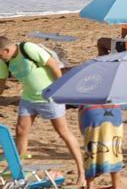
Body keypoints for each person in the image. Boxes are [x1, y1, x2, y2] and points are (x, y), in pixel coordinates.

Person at [0, 38, 86, 186]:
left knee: (63, 132)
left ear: (6, 50)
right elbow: (1, 85)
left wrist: (60, 88)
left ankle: (82, 172)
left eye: (0, 55)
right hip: (28, 99)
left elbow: (53, 64)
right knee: (20, 131)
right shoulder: (4, 62)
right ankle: (17, 170)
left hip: (49, 98)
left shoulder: (28, 49)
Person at [79, 104, 124, 189]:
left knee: (91, 152)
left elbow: (81, 129)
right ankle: (116, 185)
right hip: (114, 108)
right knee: (115, 150)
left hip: (90, 109)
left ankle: (90, 185)